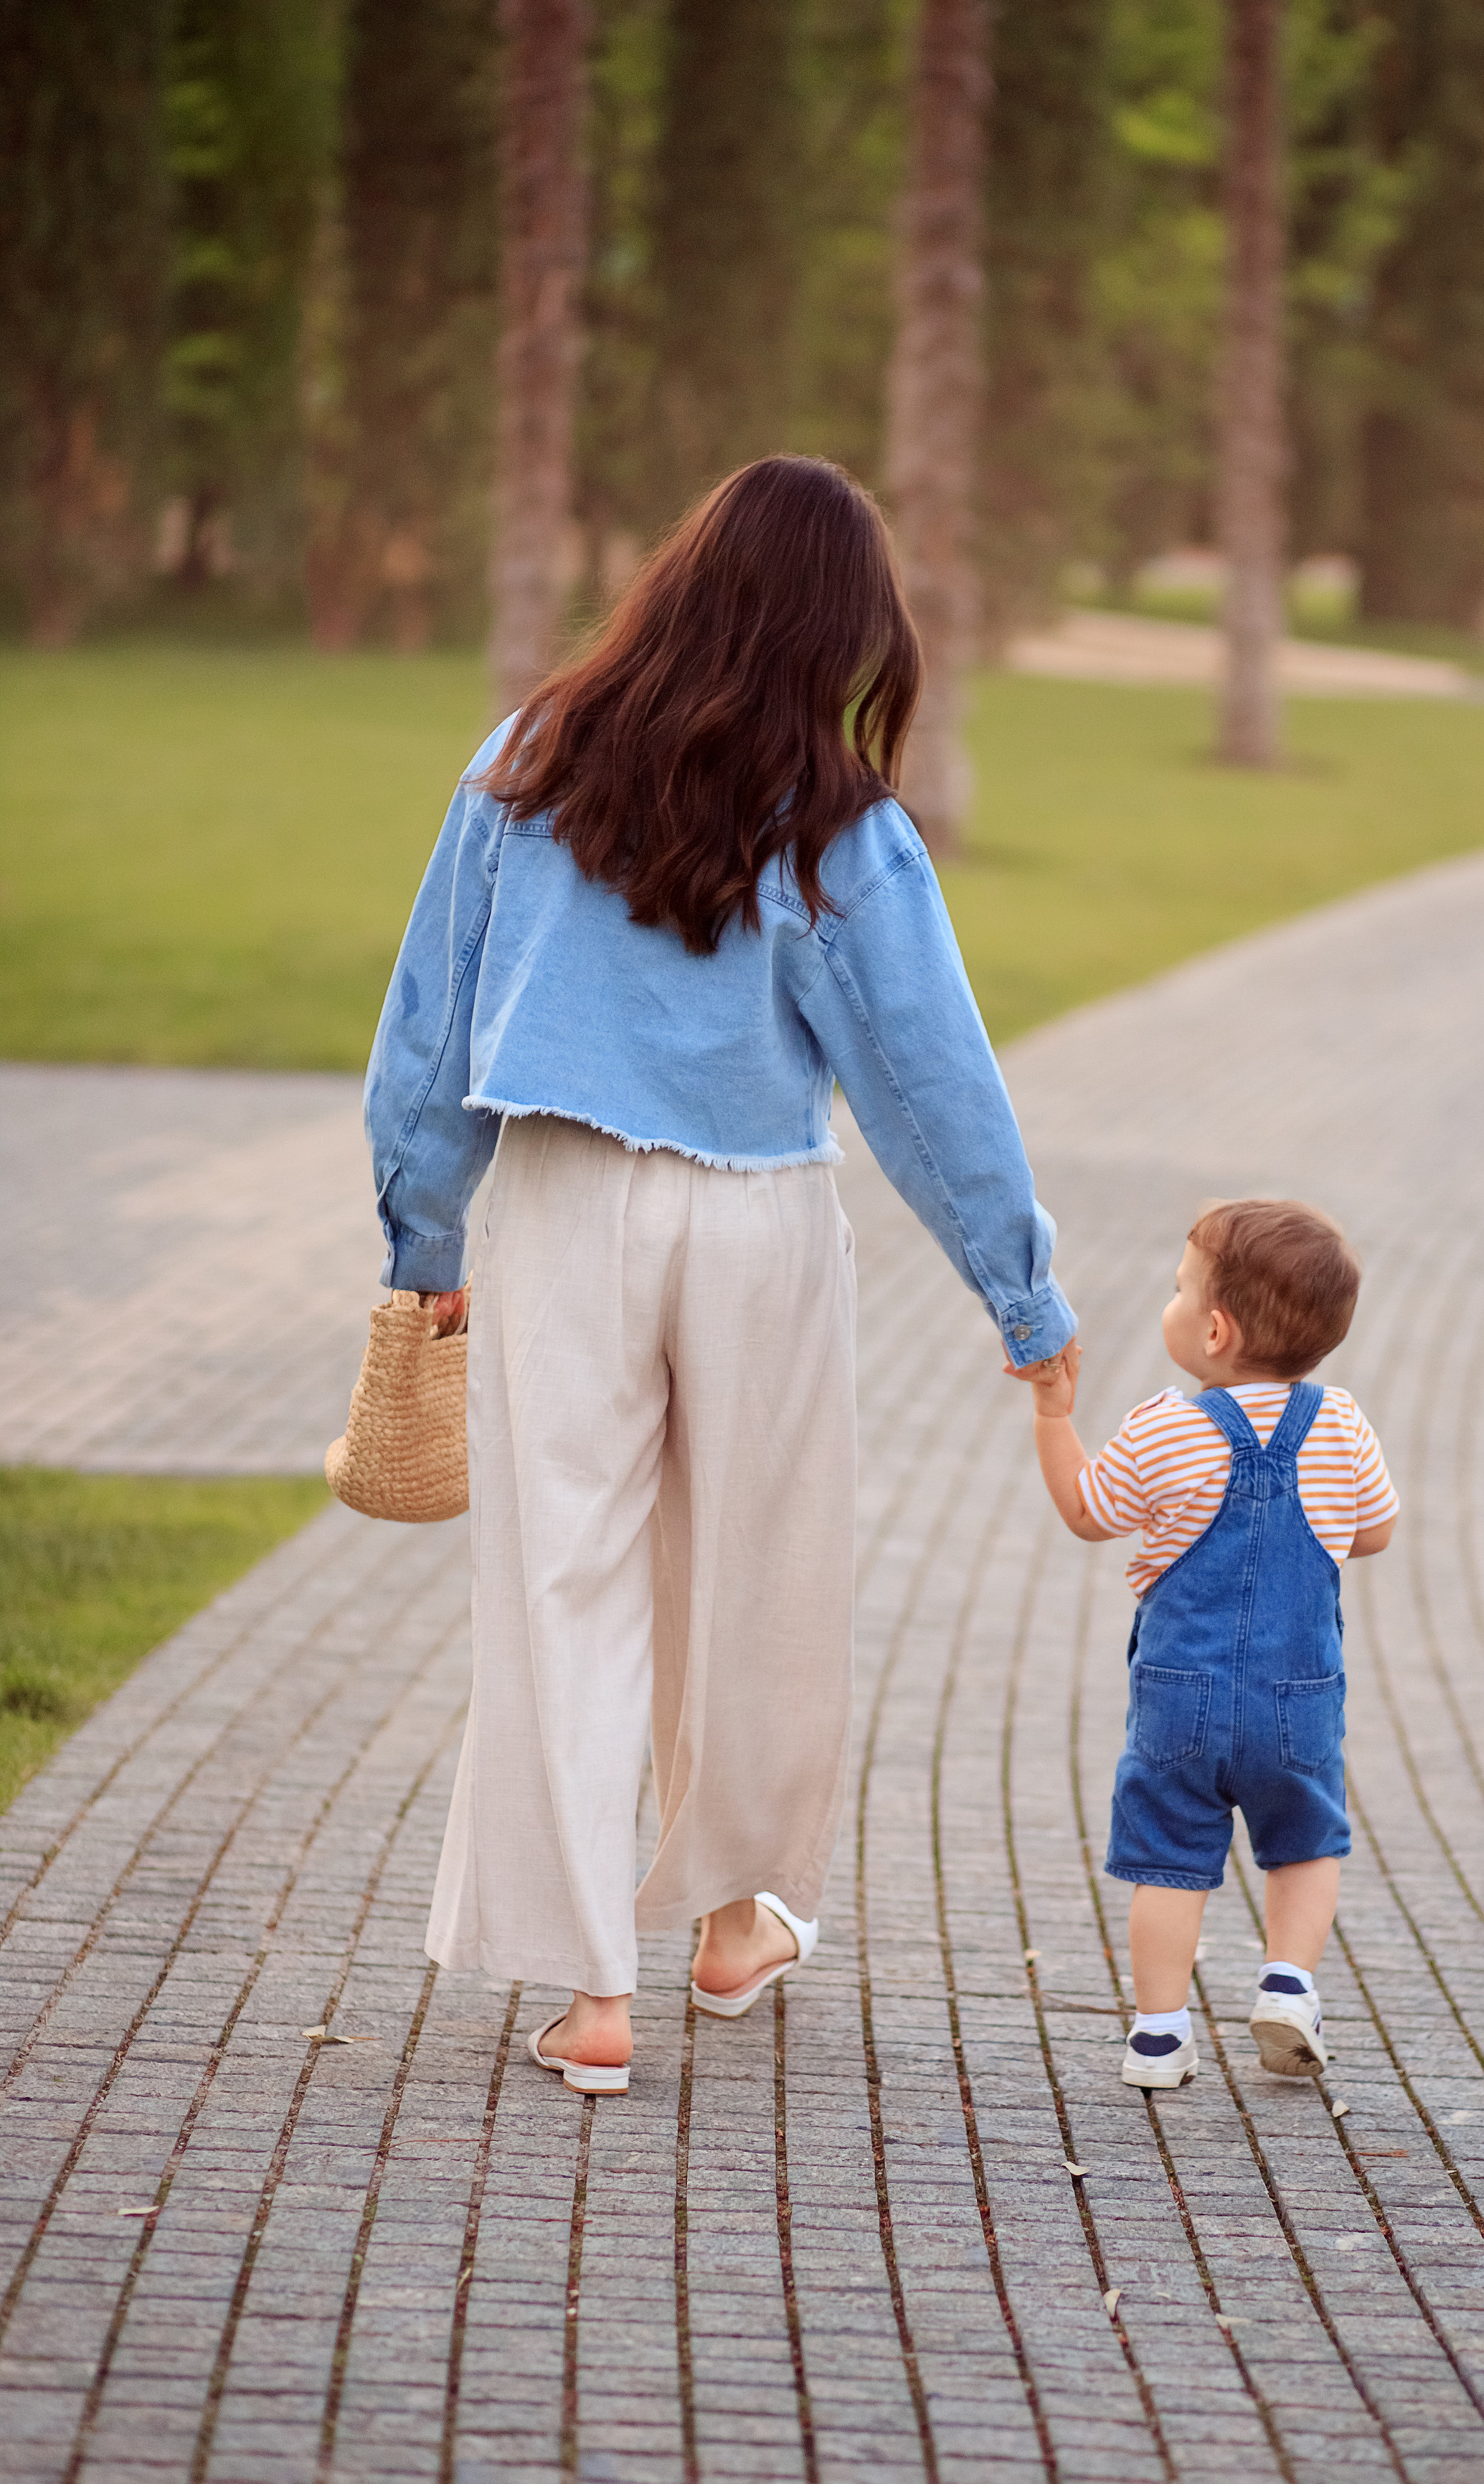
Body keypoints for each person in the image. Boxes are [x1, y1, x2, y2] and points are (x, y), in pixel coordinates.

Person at [364, 455, 1075, 2095]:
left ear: (680, 575)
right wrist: (1018, 1291)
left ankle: (588, 1990)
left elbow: (430, 1027)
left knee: (565, 1582)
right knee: (758, 1571)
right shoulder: (841, 818)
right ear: (843, 628)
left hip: (557, 1196)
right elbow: (924, 1074)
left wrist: (421, 1242)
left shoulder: (525, 760)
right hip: (759, 1217)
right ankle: (734, 1917)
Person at [1018, 1198, 1396, 2088]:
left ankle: (1157, 2036)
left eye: (1179, 1288)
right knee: (1306, 1840)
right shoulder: (1338, 1426)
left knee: (1169, 1859)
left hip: (1179, 1696)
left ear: (1215, 1331)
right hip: (1296, 1696)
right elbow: (1375, 1531)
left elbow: (1086, 1512)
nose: (1172, 1301)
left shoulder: (1167, 1427)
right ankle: (1287, 1983)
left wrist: (1051, 1415)